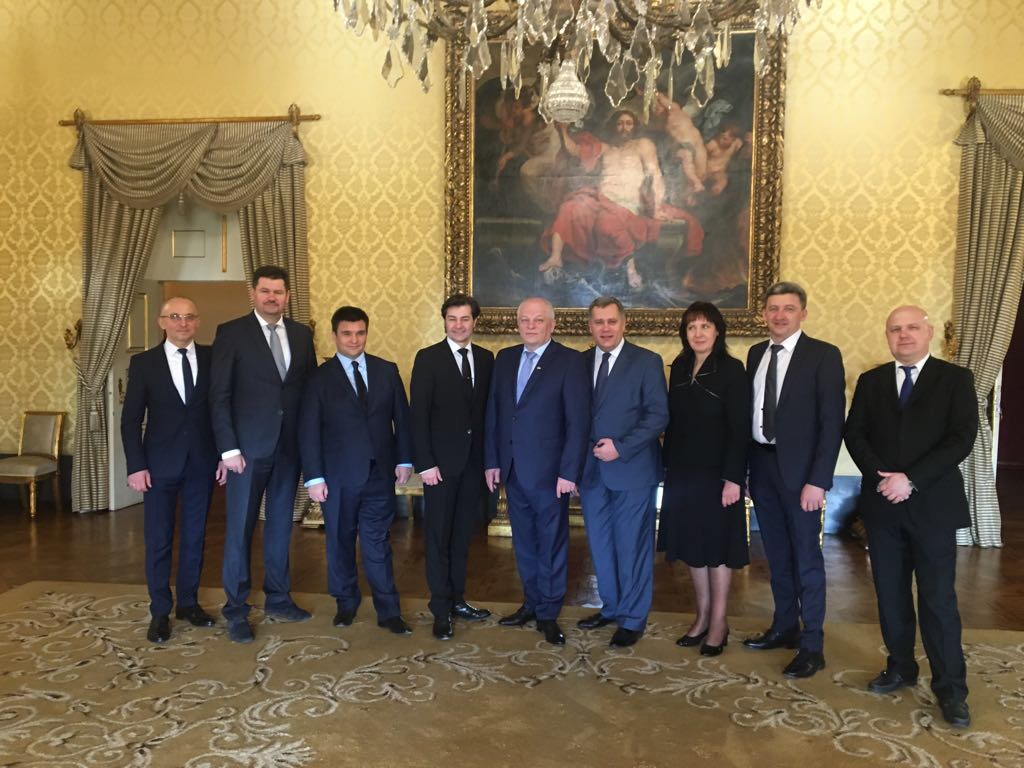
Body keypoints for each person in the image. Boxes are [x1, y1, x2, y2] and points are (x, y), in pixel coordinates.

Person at [844, 305, 977, 728]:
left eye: (912, 328)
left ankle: (951, 688)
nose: (903, 335)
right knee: (891, 594)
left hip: (933, 507)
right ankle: (901, 666)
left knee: (938, 600)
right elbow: (855, 433)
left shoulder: (955, 379)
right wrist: (883, 478)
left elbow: (962, 438)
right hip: (883, 505)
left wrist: (911, 480)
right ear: (887, 336)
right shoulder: (872, 381)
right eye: (895, 329)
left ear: (928, 332)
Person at [743, 281, 845, 678]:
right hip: (762, 468)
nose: (780, 315)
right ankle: (785, 625)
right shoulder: (756, 353)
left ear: (803, 313)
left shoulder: (823, 355)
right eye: (773, 308)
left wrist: (818, 481)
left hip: (802, 477)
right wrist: (746, 472)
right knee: (776, 556)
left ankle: (812, 644)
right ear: (764, 314)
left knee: (806, 558)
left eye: (788, 308)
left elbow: (831, 423)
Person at [210, 265, 316, 644]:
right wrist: (228, 448)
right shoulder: (231, 333)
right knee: (240, 530)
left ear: (288, 296)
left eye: (278, 292)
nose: (272, 298)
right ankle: (236, 609)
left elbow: (308, 393)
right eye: (266, 291)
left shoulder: (302, 335)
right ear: (253, 294)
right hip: (245, 451)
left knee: (280, 526)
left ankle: (279, 597)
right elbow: (219, 395)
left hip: (289, 449)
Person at [300, 306, 415, 636]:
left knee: (378, 543)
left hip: (380, 475)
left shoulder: (386, 371)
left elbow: (402, 419)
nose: (354, 339)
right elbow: (309, 429)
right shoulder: (319, 378)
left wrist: (405, 460)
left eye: (360, 333)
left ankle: (389, 611)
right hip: (337, 478)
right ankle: (346, 604)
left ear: (366, 333)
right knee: (340, 541)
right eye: (347, 333)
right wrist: (314, 477)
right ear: (335, 335)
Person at [484, 297, 590, 645]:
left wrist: (569, 471)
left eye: (538, 320)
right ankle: (530, 602)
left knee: (552, 544)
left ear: (552, 325)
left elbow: (577, 422)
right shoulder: (505, 358)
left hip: (550, 474)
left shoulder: (570, 361)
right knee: (524, 543)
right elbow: (495, 414)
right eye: (524, 320)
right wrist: (492, 461)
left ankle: (548, 611)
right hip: (513, 469)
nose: (530, 326)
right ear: (517, 323)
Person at [121, 297, 226, 643]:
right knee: (159, 539)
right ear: (162, 322)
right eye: (176, 317)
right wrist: (136, 465)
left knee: (196, 537)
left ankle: (189, 604)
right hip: (158, 466)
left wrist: (224, 455)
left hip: (202, 462)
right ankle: (160, 611)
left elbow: (221, 409)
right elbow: (131, 419)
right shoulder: (144, 363)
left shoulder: (212, 358)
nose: (183, 323)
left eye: (190, 317)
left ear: (198, 322)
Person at [659, 301, 750, 656]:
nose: (698, 333)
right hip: (683, 473)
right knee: (693, 548)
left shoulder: (732, 369)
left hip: (718, 475)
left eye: (705, 326)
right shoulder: (680, 367)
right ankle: (701, 617)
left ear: (718, 331)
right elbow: (673, 423)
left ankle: (719, 622)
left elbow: (739, 429)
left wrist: (733, 478)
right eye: (691, 327)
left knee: (717, 550)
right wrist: (666, 468)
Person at [577, 297, 668, 648]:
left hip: (632, 469)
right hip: (591, 472)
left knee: (632, 547)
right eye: (599, 322)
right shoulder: (580, 363)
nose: (605, 328)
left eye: (611, 321)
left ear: (624, 323)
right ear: (590, 326)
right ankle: (611, 607)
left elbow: (658, 415)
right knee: (600, 546)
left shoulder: (646, 361)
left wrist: (622, 447)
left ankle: (632, 618)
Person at [410, 294, 495, 640]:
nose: (458, 325)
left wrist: (489, 462)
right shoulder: (428, 358)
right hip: (439, 468)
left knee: (462, 537)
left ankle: (458, 599)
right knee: (438, 538)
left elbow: (488, 414)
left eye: (465, 319)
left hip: (473, 465)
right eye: (452, 319)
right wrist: (425, 463)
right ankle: (440, 607)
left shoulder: (487, 359)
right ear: (444, 321)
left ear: (475, 321)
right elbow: (418, 416)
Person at [538, 111, 669, 289]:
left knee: (607, 224)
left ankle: (630, 268)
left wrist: (657, 207)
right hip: (600, 200)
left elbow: (655, 175)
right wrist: (563, 131)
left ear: (635, 126)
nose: (624, 127)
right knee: (570, 207)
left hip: (626, 204)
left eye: (628, 123)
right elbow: (575, 151)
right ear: (613, 126)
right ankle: (555, 257)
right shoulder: (605, 148)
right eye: (620, 123)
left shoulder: (643, 145)